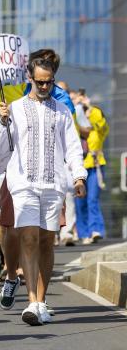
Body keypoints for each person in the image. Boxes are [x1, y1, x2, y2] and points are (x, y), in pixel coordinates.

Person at [0, 55, 87, 326]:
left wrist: (79, 177)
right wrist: (3, 122)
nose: (44, 87)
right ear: (29, 79)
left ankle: (41, 301)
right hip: (23, 184)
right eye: (40, 82)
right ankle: (31, 301)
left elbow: (73, 148)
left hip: (54, 183)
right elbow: (0, 147)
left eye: (49, 82)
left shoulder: (62, 111)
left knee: (46, 241)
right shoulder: (16, 108)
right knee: (29, 237)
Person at [70, 88, 107, 244]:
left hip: (96, 163)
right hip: (79, 165)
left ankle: (95, 230)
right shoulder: (72, 117)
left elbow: (103, 127)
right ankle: (84, 232)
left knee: (93, 199)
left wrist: (89, 108)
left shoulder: (94, 115)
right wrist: (75, 108)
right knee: (80, 201)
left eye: (80, 98)